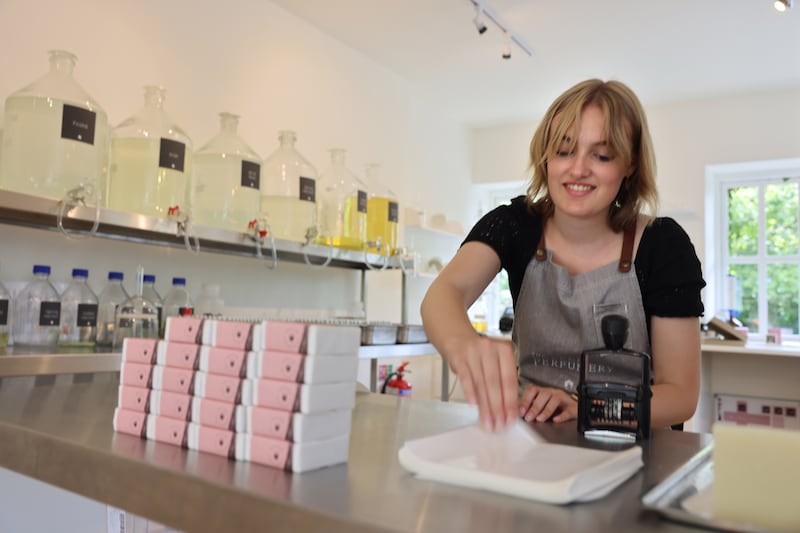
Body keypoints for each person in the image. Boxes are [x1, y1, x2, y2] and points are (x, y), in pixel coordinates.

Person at [420, 79, 705, 433]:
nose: (578, 170)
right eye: (564, 150)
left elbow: (680, 396)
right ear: (546, 156)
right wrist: (464, 346)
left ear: (630, 164)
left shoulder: (662, 244)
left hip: (634, 456)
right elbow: (444, 293)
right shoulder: (514, 226)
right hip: (529, 444)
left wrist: (583, 406)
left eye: (601, 155)